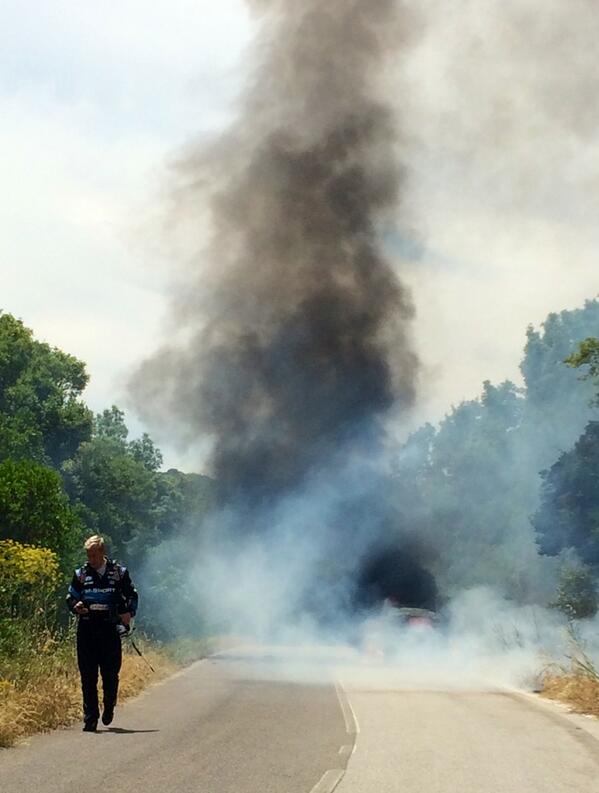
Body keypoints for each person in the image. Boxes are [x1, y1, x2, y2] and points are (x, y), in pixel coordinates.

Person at [66, 535, 139, 732]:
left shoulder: (119, 573)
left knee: (110, 674)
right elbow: (70, 597)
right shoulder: (81, 574)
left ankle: (109, 706)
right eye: (88, 555)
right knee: (87, 675)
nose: (91, 559)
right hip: (87, 629)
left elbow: (132, 595)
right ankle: (90, 718)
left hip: (109, 629)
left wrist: (128, 613)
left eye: (94, 555)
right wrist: (76, 605)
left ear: (103, 553)